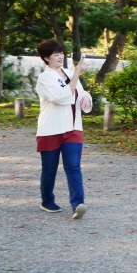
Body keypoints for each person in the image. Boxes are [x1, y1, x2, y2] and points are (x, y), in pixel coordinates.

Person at [35, 40, 93, 219]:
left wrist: (87, 97)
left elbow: (80, 92)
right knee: (49, 169)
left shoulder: (69, 73)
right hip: (51, 129)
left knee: (73, 166)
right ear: (46, 58)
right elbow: (61, 98)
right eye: (55, 54)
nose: (60, 56)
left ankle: (78, 204)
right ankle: (47, 201)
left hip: (73, 128)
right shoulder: (44, 79)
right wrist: (76, 74)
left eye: (61, 53)